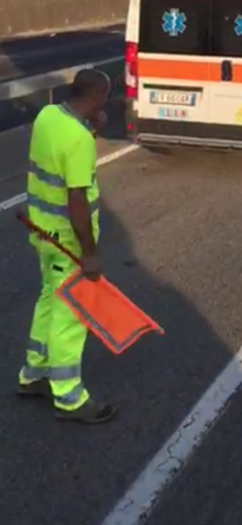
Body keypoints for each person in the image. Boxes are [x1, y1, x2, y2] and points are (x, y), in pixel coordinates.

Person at [17, 68, 116, 424]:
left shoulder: (48, 115)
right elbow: (77, 200)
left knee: (48, 299)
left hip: (41, 232)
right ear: (98, 97)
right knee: (71, 315)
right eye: (107, 96)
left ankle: (34, 374)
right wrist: (89, 254)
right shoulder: (79, 140)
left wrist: (90, 128)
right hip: (66, 241)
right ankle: (70, 397)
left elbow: (60, 153)